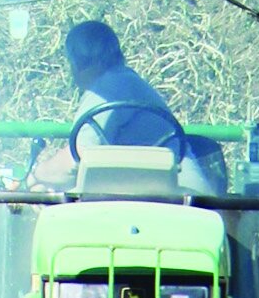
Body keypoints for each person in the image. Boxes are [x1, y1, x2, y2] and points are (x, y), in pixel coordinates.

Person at [28, 21, 221, 190]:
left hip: (174, 201)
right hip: (177, 198)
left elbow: (75, 161)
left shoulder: (107, 87)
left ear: (79, 63)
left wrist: (36, 175)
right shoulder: (125, 82)